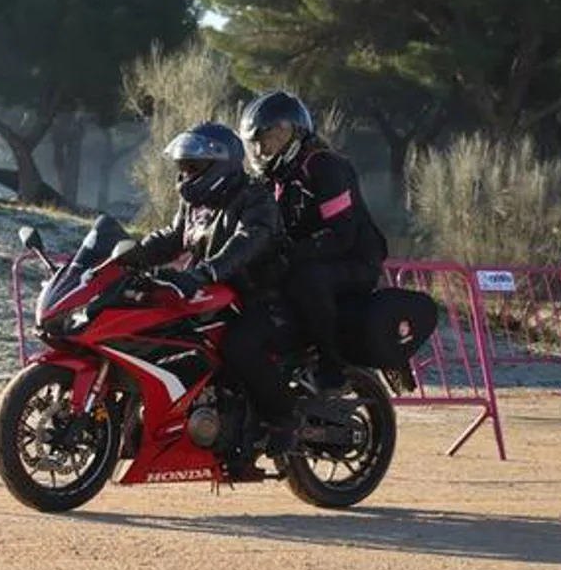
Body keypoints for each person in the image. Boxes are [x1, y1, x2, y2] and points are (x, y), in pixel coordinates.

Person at [124, 121, 297, 461]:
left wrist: (205, 272)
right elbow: (173, 238)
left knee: (239, 346)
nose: (185, 175)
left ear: (220, 165)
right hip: (216, 295)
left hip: (263, 297)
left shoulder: (255, 198)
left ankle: (283, 420)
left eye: (193, 167)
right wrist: (129, 257)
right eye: (183, 167)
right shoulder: (197, 203)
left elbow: (246, 243)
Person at [238, 92, 389, 393]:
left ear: (295, 134)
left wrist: (290, 256)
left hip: (355, 259)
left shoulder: (325, 167)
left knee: (307, 279)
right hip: (316, 255)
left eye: (270, 138)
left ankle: (331, 363)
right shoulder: (276, 179)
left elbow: (342, 234)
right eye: (255, 142)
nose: (261, 148)